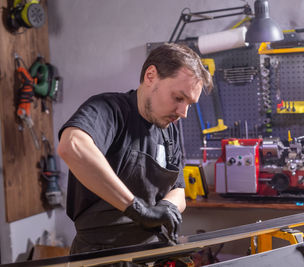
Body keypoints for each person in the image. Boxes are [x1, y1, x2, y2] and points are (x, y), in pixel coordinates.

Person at [57, 43, 213, 255]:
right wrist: (138, 210)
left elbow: (178, 190)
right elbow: (72, 146)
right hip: (100, 255)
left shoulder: (169, 132)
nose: (183, 112)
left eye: (189, 104)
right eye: (178, 98)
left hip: (149, 250)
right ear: (150, 76)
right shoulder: (110, 110)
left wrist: (166, 207)